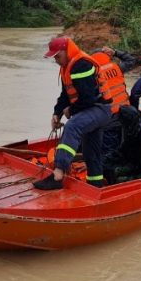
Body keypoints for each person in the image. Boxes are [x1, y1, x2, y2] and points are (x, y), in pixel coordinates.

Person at [33, 36, 112, 191]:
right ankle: (95, 186)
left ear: (66, 50)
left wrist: (71, 111)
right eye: (54, 57)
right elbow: (66, 95)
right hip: (92, 110)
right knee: (91, 152)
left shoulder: (81, 65)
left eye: (57, 56)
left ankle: (57, 176)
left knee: (72, 127)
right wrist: (57, 113)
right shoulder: (67, 67)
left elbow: (88, 98)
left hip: (99, 109)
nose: (56, 60)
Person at [91, 46, 135, 155]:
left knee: (109, 147)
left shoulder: (93, 74)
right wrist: (115, 52)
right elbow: (131, 60)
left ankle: (109, 169)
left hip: (109, 116)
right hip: (125, 113)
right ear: (107, 56)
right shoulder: (117, 67)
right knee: (124, 143)